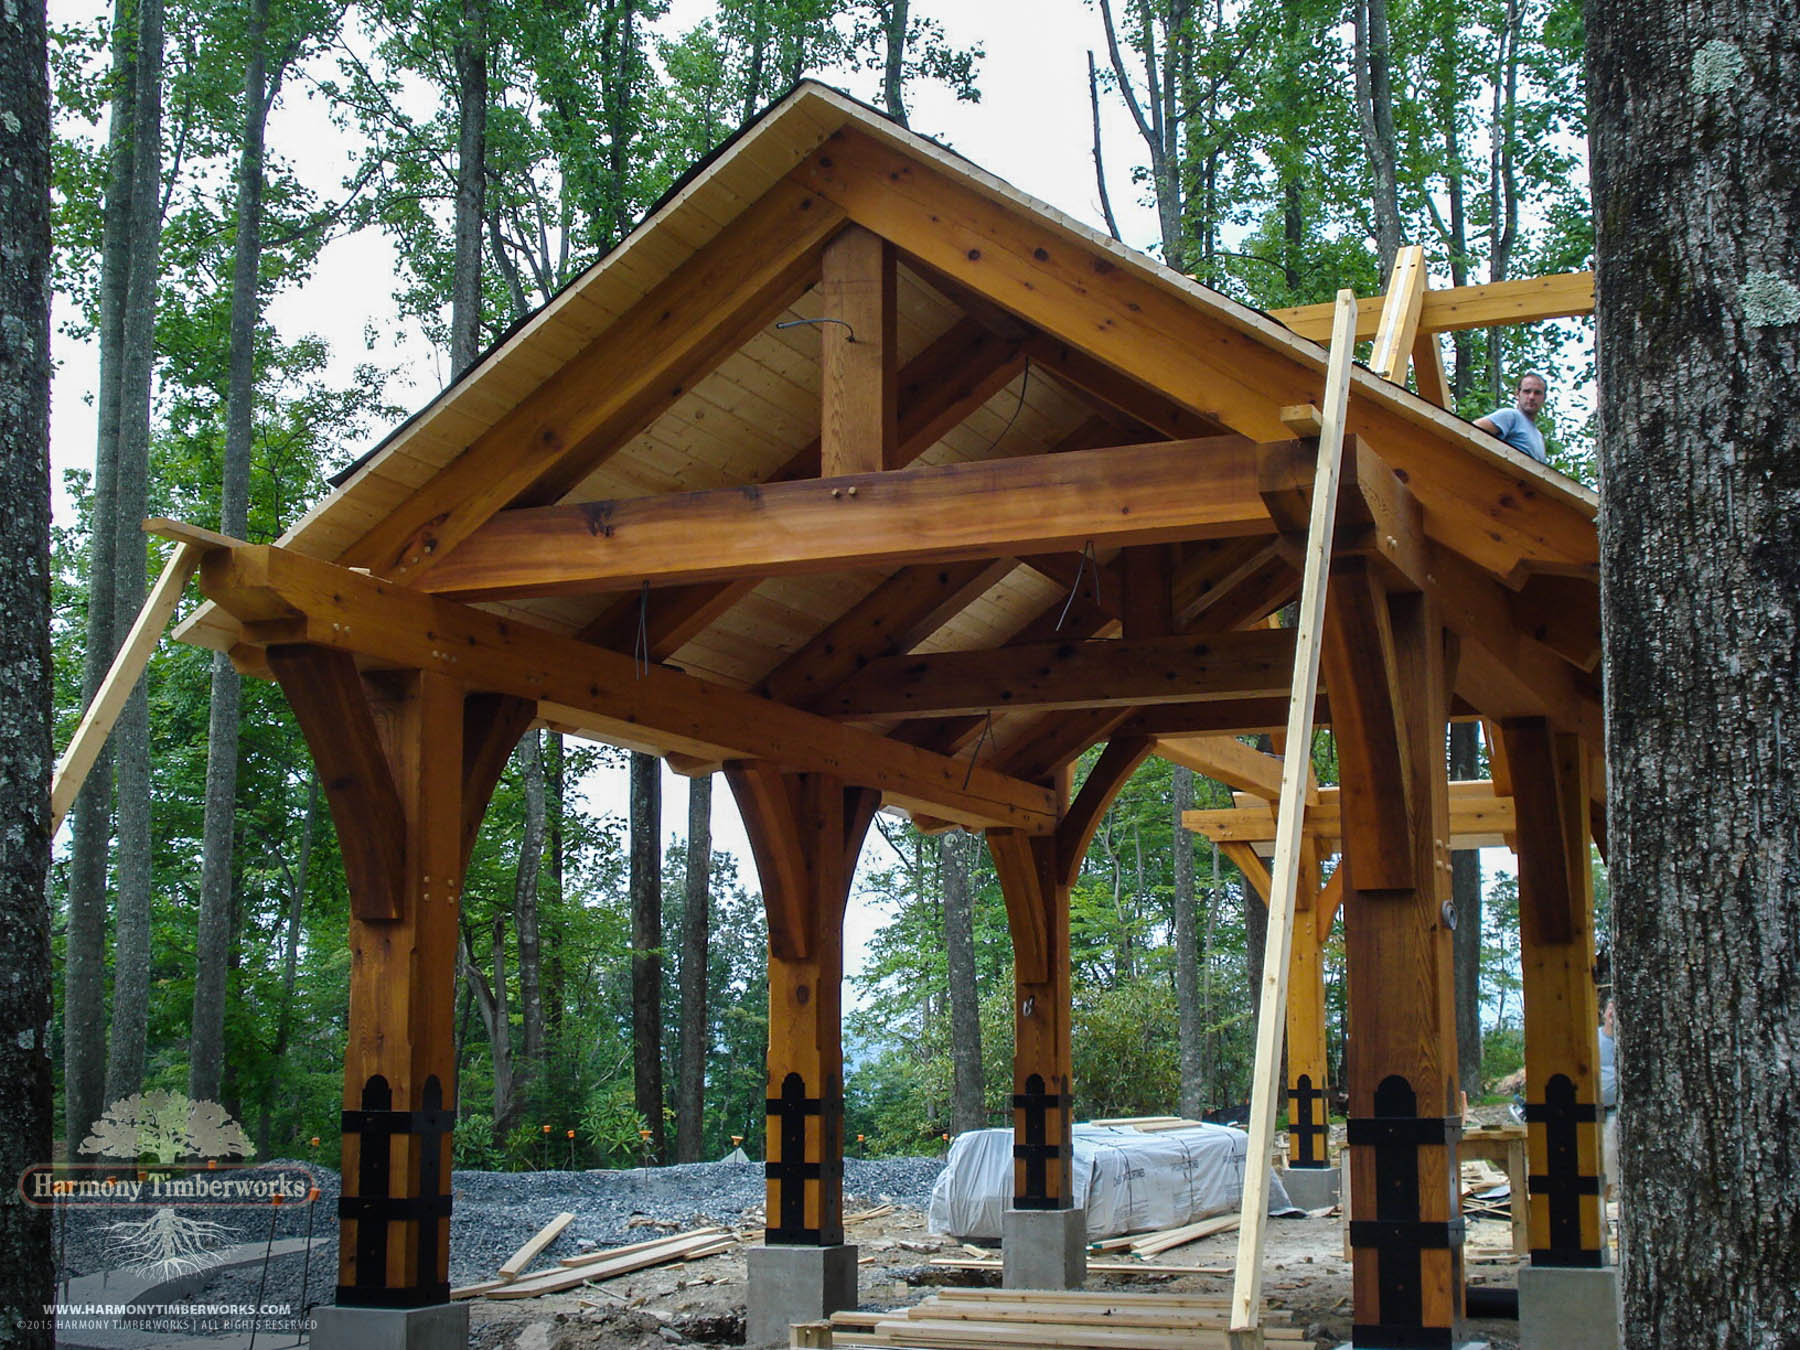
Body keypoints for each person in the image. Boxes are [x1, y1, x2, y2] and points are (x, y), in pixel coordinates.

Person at [1474, 372, 1549, 463]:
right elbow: (1470, 431)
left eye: (1537, 393)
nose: (1531, 397)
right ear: (1517, 394)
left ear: (1544, 398)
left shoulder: (1539, 436)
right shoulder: (1510, 416)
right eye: (1527, 391)